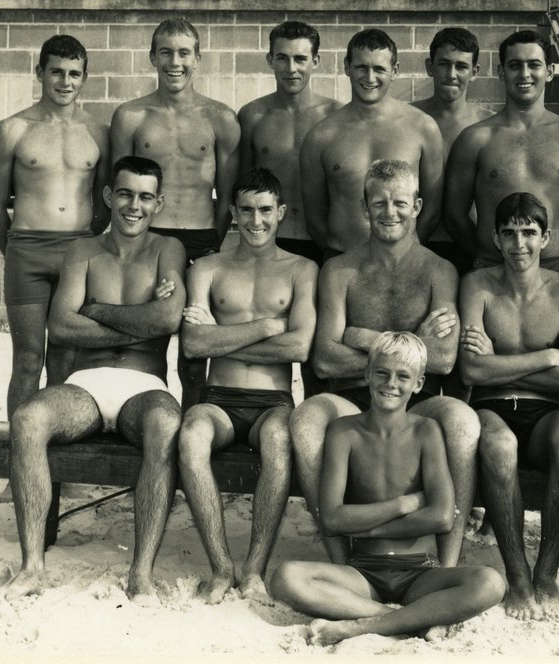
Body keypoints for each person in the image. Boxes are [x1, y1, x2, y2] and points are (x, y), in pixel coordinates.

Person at [0, 156, 186, 603]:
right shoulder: (82, 251)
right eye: (125, 194)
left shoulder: (168, 249)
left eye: (145, 197)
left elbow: (168, 319)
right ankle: (32, 566)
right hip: (86, 384)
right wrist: (140, 319)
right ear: (108, 195)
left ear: (159, 203)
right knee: (27, 419)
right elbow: (62, 326)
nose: (134, 206)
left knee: (166, 424)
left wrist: (96, 309)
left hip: (144, 385)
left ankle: (141, 574)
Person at [289, 160, 479, 568]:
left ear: (417, 206)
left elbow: (444, 359)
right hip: (352, 399)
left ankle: (447, 565)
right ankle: (342, 563)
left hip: (418, 400)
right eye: (379, 203)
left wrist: (359, 336)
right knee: (305, 420)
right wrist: (412, 342)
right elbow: (324, 360)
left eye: (399, 203)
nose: (389, 212)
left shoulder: (439, 271)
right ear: (364, 207)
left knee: (463, 422)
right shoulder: (340, 271)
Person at [269, 332, 505, 646]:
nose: (391, 383)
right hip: (362, 573)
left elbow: (442, 517)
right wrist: (404, 504)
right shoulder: (343, 432)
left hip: (420, 571)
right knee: (285, 578)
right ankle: (403, 621)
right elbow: (332, 519)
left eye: (403, 376)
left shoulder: (427, 431)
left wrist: (365, 528)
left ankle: (359, 626)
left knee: (490, 583)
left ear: (418, 383)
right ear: (367, 374)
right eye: (382, 372)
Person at [177, 168, 317, 604]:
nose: (257, 221)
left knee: (279, 437)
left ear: (281, 212)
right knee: (190, 434)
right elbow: (194, 344)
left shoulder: (302, 269)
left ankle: (254, 568)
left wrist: (224, 337)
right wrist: (268, 326)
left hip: (273, 401)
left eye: (265, 210)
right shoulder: (207, 268)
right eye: (247, 211)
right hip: (218, 399)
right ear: (233, 214)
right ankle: (221, 567)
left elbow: (299, 347)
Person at [458, 192, 559, 621]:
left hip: (546, 412)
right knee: (499, 447)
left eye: (529, 233)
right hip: (491, 408)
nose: (520, 244)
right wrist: (546, 357)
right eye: (510, 233)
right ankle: (518, 579)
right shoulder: (477, 286)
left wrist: (498, 364)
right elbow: (470, 372)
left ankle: (546, 575)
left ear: (546, 237)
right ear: (496, 238)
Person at [110, 17, 241, 409]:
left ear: (197, 58)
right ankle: (148, 418)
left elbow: (228, 195)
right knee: (144, 342)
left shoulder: (220, 118)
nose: (175, 62)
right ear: (152, 57)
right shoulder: (131, 116)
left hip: (201, 238)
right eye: (166, 52)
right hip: (147, 241)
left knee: (194, 350)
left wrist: (212, 246)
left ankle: (192, 425)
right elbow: (121, 192)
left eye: (184, 53)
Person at [0, 34, 109, 419]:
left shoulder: (98, 132)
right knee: (27, 359)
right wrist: (16, 251)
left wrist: (86, 247)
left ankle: (56, 452)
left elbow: (104, 203)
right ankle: (20, 452)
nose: (65, 82)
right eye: (56, 72)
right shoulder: (12, 129)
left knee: (66, 357)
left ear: (85, 77)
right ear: (39, 72)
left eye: (74, 73)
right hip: (27, 252)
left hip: (78, 253)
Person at [444, 30, 559, 280]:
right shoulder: (475, 139)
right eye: (515, 65)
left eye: (534, 65)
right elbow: (453, 215)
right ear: (501, 72)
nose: (524, 74)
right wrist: (486, 256)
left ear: (549, 71)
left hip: (555, 269)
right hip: (491, 269)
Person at [300, 29, 444, 256]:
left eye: (379, 69)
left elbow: (432, 209)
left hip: (405, 260)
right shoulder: (321, 136)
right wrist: (342, 258)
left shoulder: (423, 128)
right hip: (343, 259)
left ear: (394, 70)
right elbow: (315, 218)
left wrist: (405, 252)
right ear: (347, 67)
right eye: (361, 67)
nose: (369, 77)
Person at [237, 21, 342, 266]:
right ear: (270, 60)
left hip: (325, 243)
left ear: (315, 61)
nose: (291, 68)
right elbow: (242, 187)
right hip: (269, 241)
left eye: (300, 59)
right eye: (282, 58)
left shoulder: (336, 115)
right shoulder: (252, 116)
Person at [411, 27, 493, 274]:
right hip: (414, 245)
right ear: (430, 67)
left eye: (461, 66)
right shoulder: (406, 120)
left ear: (474, 72)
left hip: (473, 247)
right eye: (444, 64)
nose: (451, 74)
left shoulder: (489, 125)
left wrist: (482, 254)